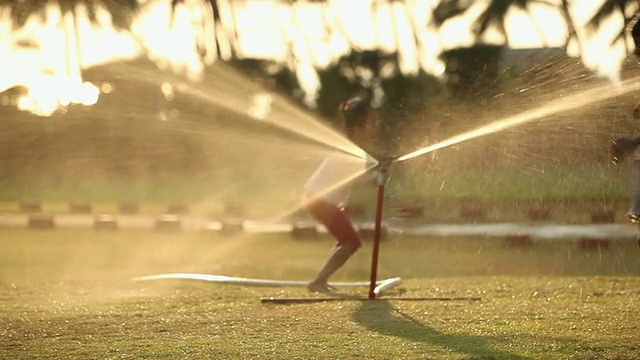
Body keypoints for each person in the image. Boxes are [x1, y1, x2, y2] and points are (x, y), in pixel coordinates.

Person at [303, 88, 379, 293]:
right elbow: (366, 176)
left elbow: (367, 172)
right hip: (320, 201)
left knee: (348, 241)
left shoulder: (356, 150)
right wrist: (379, 171)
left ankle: (319, 280)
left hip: (319, 199)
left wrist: (379, 168)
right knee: (350, 242)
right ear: (357, 129)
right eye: (371, 123)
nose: (375, 127)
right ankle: (318, 281)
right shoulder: (351, 151)